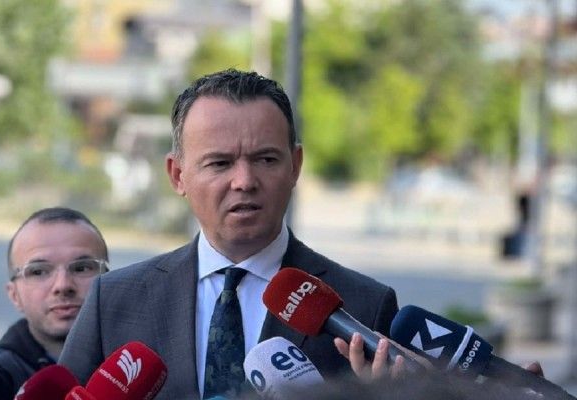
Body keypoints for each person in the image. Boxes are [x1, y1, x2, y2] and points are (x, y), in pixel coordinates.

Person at [59, 69, 399, 399]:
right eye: (220, 163)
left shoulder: (363, 307)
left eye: (266, 159)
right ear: (177, 175)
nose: (244, 181)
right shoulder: (114, 300)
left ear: (295, 166)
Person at [0, 207, 109, 399]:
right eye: (38, 271)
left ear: (112, 282)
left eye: (82, 268)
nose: (63, 285)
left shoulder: (148, 363)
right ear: (14, 295)